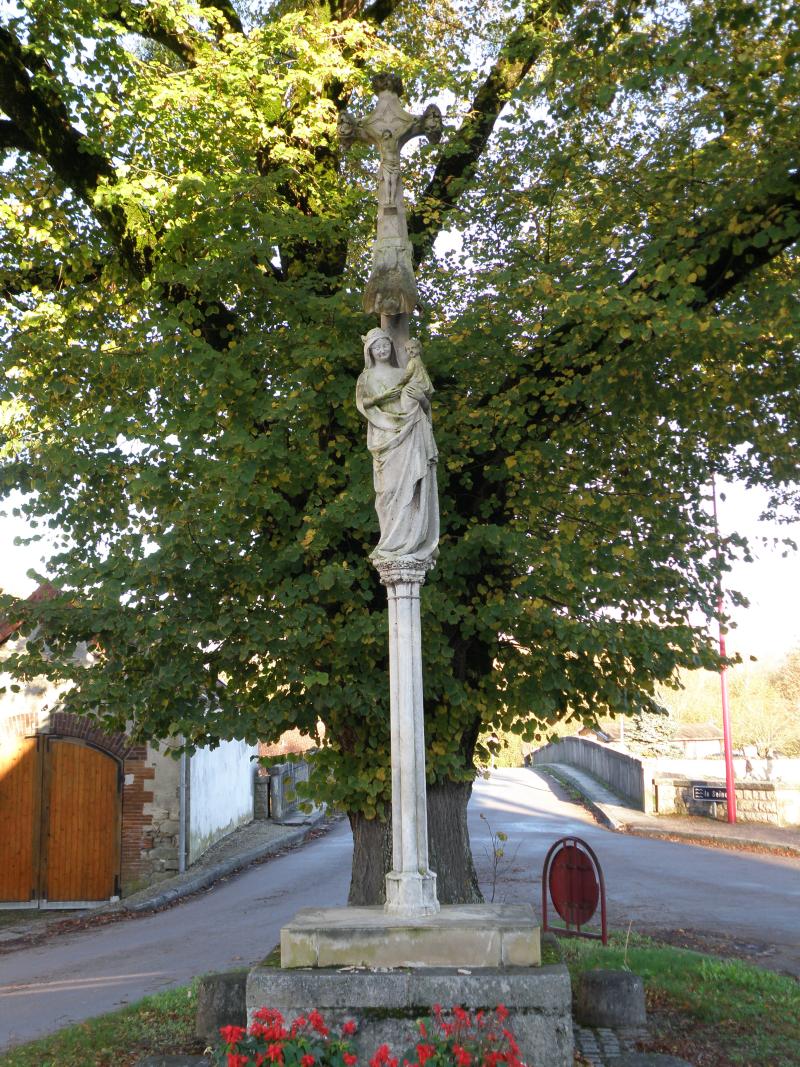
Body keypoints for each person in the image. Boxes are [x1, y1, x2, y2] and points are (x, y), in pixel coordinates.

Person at [355, 329, 439, 563]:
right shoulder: (366, 378)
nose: (382, 350)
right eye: (376, 347)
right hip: (384, 438)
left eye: (385, 345)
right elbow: (363, 404)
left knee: (412, 488)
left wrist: (422, 400)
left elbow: (424, 406)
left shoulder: (405, 372)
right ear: (369, 351)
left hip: (410, 434)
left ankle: (409, 542)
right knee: (387, 490)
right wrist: (383, 397)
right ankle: (390, 541)